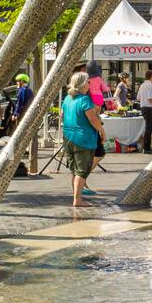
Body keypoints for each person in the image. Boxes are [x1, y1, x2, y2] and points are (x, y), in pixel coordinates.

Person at [61, 71, 103, 206]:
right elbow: (93, 119)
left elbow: (62, 115)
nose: (90, 84)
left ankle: (76, 197)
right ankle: (77, 200)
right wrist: (102, 131)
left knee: (74, 170)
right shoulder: (84, 100)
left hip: (68, 137)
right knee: (81, 170)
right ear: (83, 84)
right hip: (83, 138)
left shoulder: (67, 99)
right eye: (88, 81)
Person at [137, 69, 152, 154]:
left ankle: (146, 147)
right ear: (151, 76)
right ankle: (147, 148)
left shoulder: (142, 85)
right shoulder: (151, 86)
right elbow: (150, 99)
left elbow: (138, 98)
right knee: (149, 128)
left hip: (143, 107)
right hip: (148, 108)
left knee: (148, 127)